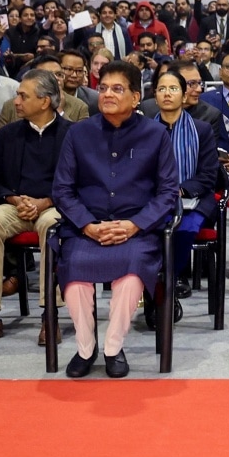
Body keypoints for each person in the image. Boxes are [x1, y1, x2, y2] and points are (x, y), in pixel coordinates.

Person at [51, 60, 179, 379]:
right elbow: (62, 189)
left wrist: (135, 225)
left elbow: (167, 192)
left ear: (135, 98)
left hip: (137, 230)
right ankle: (85, 348)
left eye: (117, 89)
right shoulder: (78, 133)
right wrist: (88, 225)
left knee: (132, 273)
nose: (107, 94)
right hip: (86, 228)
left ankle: (113, 347)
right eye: (104, 87)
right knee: (75, 272)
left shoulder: (155, 134)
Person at [0, 69, 73, 347]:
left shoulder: (73, 134)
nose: (16, 101)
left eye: (23, 96)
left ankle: (49, 315)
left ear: (45, 101)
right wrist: (15, 200)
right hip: (15, 204)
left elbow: (80, 182)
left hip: (54, 205)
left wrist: (45, 202)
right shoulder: (8, 134)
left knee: (52, 226)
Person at [148, 66, 218, 301]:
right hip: (153, 197)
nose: (167, 94)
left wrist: (181, 189)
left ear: (184, 95)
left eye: (173, 89)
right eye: (162, 89)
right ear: (155, 95)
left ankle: (172, 276)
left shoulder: (201, 130)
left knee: (185, 228)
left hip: (193, 197)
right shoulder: (144, 130)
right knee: (148, 227)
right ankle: (154, 278)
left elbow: (209, 174)